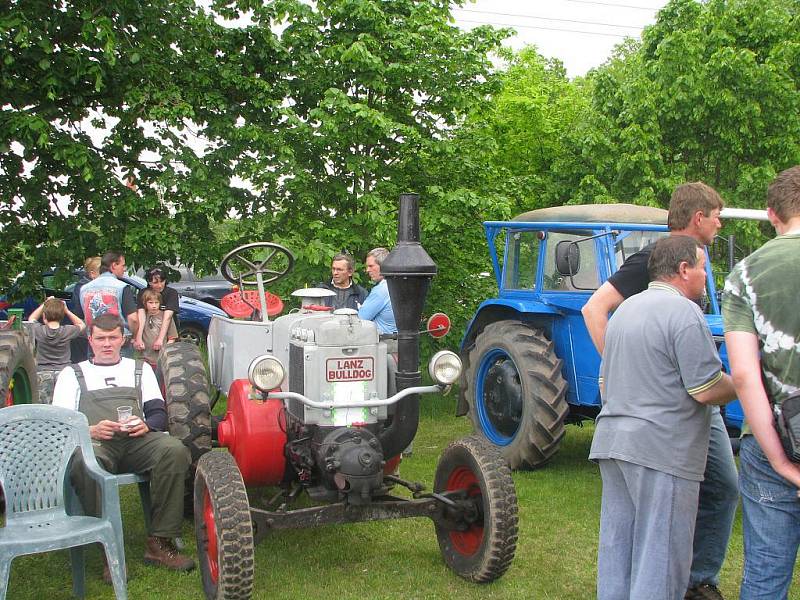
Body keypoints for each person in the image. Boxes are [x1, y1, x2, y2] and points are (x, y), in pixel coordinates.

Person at [582, 182, 738, 600]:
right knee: (659, 551)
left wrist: (623, 371)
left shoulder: (633, 308)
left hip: (619, 433)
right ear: (685, 268)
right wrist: (746, 382)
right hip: (663, 435)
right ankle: (684, 584)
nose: (720, 223)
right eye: (703, 269)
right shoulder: (663, 282)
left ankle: (698, 579)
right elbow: (593, 308)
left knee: (621, 542)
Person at [51, 314, 194, 580]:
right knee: (85, 463)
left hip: (135, 441)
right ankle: (108, 548)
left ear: (123, 339)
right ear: (90, 341)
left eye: (113, 338)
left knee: (173, 450)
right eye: (101, 338)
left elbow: (157, 412)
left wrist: (147, 425)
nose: (107, 344)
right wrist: (90, 429)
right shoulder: (72, 374)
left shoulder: (138, 368)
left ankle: (160, 541)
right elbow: (60, 424)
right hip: (96, 443)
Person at [722, 165, 800, 600]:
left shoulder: (744, 275)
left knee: (767, 579)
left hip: (773, 442)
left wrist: (781, 461)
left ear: (772, 214)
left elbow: (745, 375)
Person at [79, 252, 138, 355]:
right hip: (118, 341)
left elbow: (84, 315)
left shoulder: (84, 289)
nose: (124, 269)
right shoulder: (122, 287)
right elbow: (133, 319)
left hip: (95, 340)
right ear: (114, 265)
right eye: (123, 265)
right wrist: (134, 335)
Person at [28, 297, 86, 403]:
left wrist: (44, 305)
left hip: (43, 372)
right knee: (63, 403)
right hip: (63, 371)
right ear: (62, 316)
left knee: (44, 405)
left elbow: (31, 320)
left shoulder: (39, 331)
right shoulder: (68, 331)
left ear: (44, 316)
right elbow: (82, 325)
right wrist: (67, 311)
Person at [133, 266, 179, 356]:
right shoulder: (143, 293)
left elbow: (167, 317)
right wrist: (138, 338)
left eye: (162, 281)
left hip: (167, 329)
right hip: (148, 330)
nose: (160, 285)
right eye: (155, 282)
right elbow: (141, 316)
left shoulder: (171, 293)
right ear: (149, 282)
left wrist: (160, 339)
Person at [358, 247, 397, 336]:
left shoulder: (381, 290)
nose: (367, 270)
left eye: (371, 266)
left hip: (384, 344)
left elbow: (359, 320)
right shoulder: (397, 285)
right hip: (400, 342)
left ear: (383, 266)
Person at [136, 289, 178, 366]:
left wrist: (164, 350)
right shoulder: (141, 316)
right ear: (145, 303)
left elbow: (172, 338)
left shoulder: (165, 317)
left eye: (156, 303)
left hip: (160, 360)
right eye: (150, 303)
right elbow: (134, 335)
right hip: (143, 359)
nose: (154, 306)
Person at [70, 256, 100, 362]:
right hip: (85, 329)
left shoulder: (81, 285)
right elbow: (79, 311)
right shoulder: (83, 287)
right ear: (92, 274)